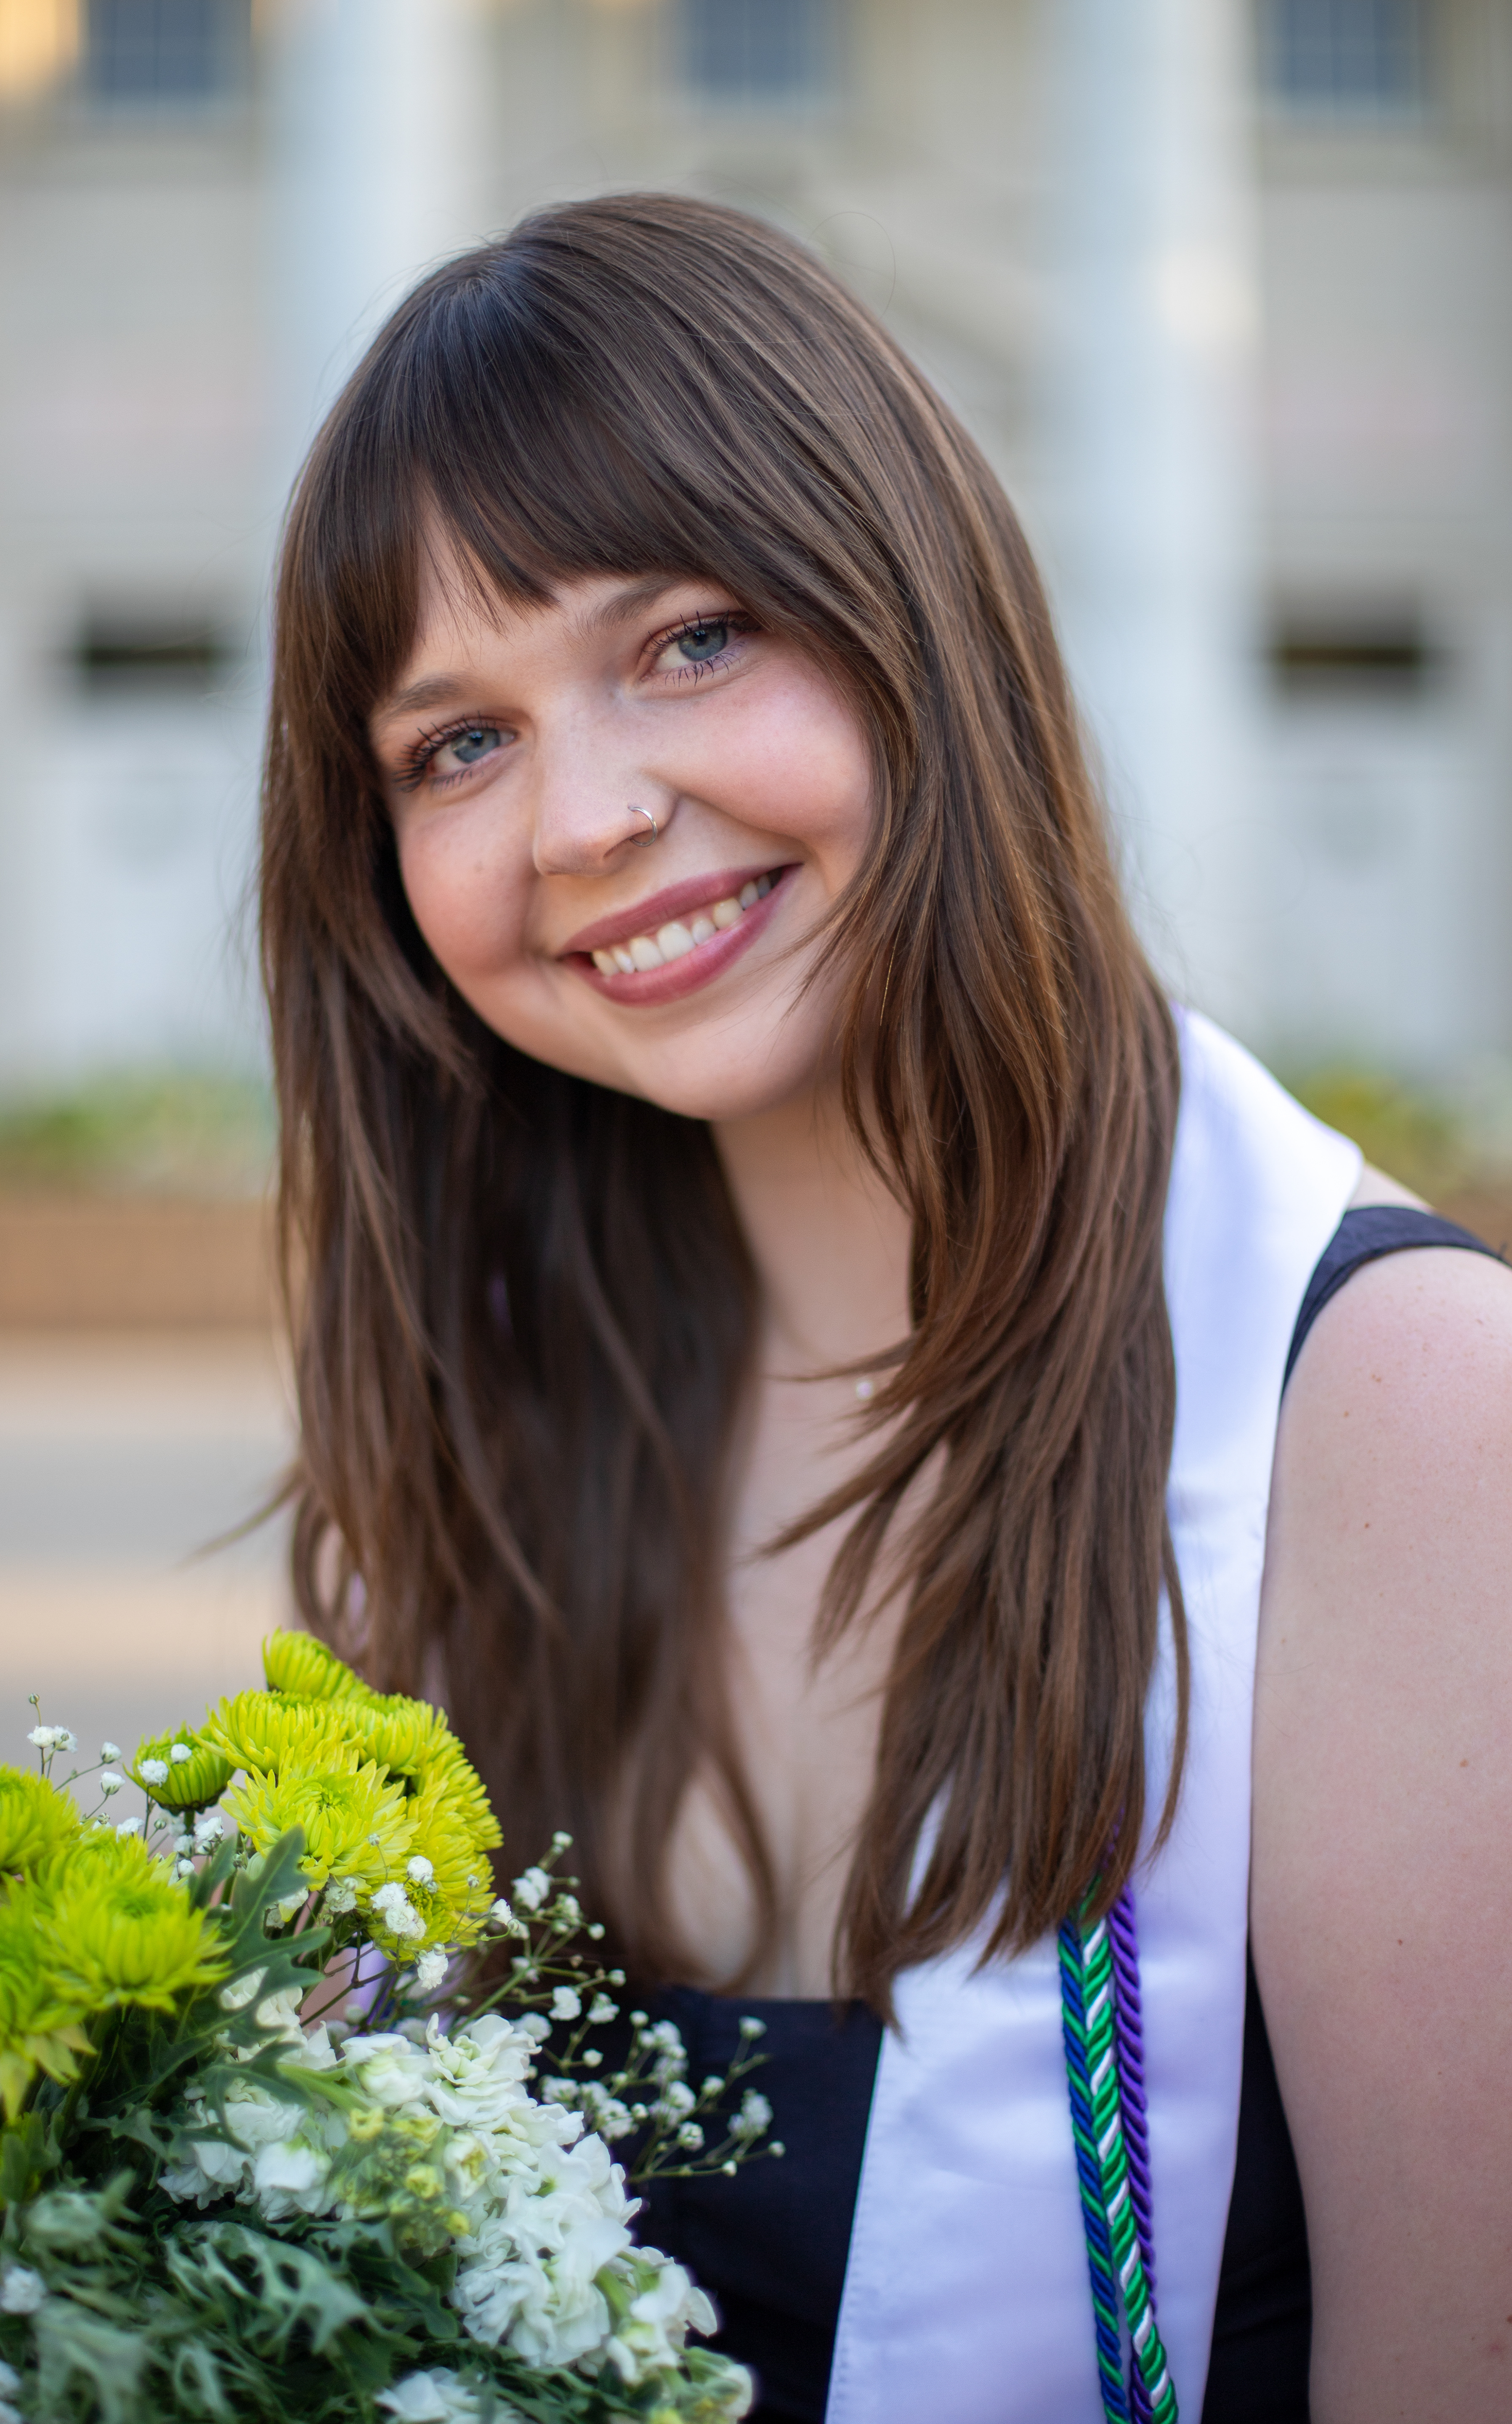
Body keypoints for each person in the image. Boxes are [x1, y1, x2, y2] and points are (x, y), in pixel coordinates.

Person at [257, 194, 1512, 2424]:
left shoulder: (1398, 1418)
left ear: (919, 615)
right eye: (455, 744)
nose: (583, 818)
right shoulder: (511, 1425)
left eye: (689, 641)